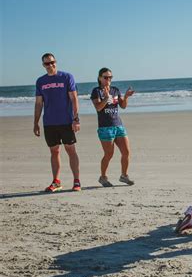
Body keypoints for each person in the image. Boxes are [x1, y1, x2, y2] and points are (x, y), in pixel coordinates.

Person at [34, 53, 81, 192]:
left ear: (56, 62)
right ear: (43, 65)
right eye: (47, 63)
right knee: (54, 151)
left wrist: (76, 119)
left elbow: (74, 99)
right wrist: (35, 122)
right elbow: (38, 103)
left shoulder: (66, 77)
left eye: (52, 62)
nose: (50, 65)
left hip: (66, 121)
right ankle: (56, 181)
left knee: (70, 150)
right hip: (49, 122)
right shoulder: (40, 81)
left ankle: (76, 181)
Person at [90, 67, 135, 187]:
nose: (108, 79)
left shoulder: (115, 90)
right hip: (105, 128)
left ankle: (124, 176)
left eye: (110, 77)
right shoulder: (96, 91)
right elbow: (99, 107)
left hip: (118, 125)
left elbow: (123, 106)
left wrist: (126, 97)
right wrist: (106, 97)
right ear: (100, 78)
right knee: (109, 154)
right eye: (105, 77)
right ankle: (103, 177)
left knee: (126, 152)